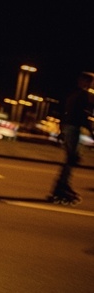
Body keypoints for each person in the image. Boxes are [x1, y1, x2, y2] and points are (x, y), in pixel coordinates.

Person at [47, 71, 94, 204]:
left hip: (69, 128)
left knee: (71, 158)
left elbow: (65, 113)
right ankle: (61, 186)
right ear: (83, 81)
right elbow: (84, 116)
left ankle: (62, 184)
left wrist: (61, 131)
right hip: (74, 129)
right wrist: (91, 132)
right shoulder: (84, 95)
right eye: (89, 81)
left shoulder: (73, 95)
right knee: (72, 158)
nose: (91, 84)